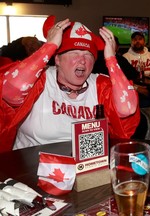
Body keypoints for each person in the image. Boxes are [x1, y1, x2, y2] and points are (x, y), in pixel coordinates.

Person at [0, 15, 140, 151]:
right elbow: (8, 92)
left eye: (88, 54)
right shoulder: (38, 79)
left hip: (83, 167)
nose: (82, 60)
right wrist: (49, 47)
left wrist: (111, 59)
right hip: (30, 165)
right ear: (57, 60)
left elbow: (127, 109)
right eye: (74, 53)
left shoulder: (100, 84)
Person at [123, 31, 150, 140]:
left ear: (144, 41)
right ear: (131, 42)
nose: (137, 41)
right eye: (135, 39)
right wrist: (136, 87)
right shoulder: (125, 57)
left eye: (140, 39)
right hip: (133, 95)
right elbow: (121, 81)